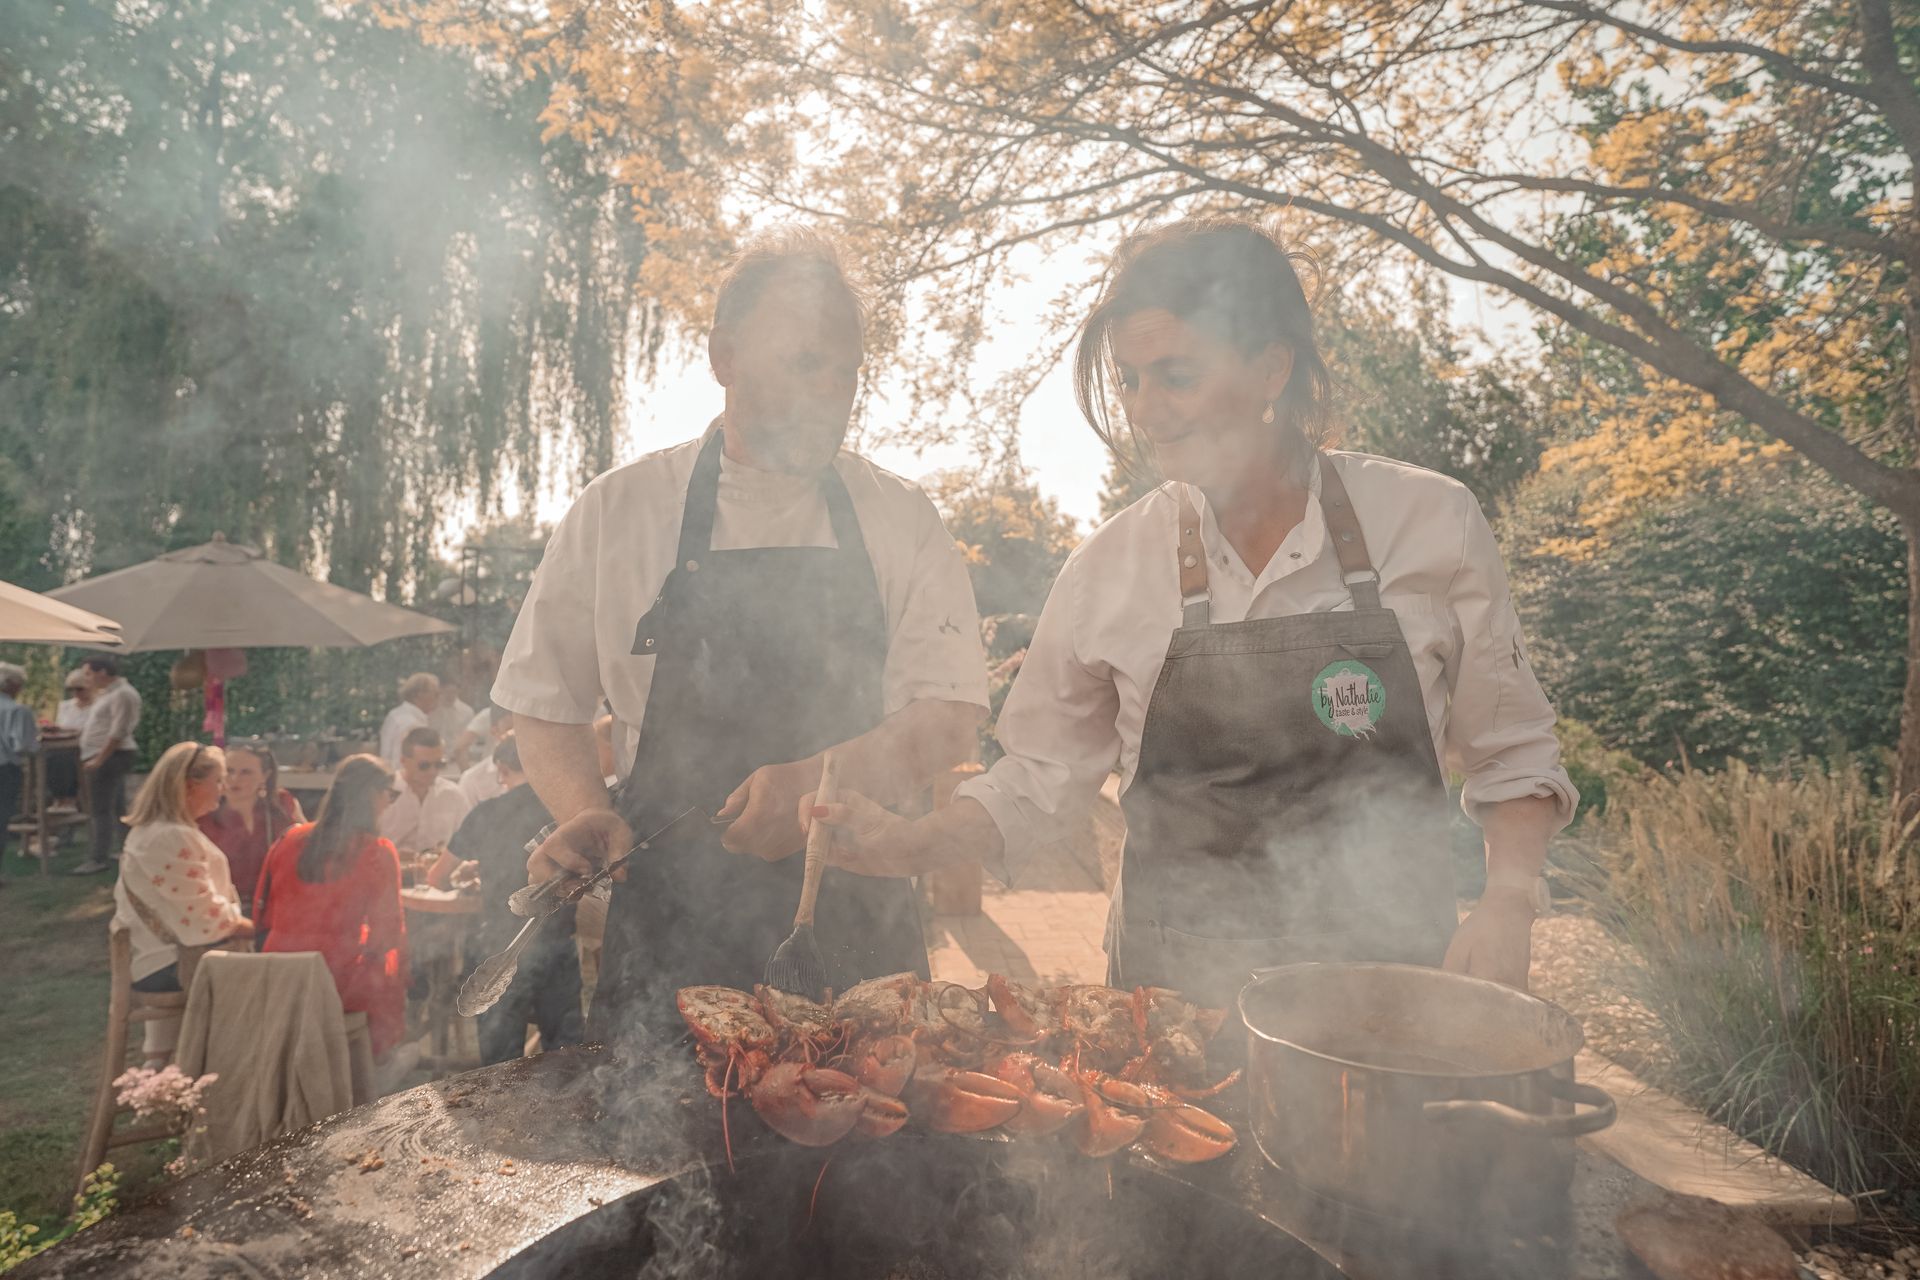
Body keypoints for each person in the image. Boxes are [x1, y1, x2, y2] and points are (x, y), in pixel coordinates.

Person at [811, 218, 1577, 1009]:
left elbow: (1513, 750)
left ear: (1272, 367)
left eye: (1175, 375)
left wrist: (1509, 899)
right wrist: (908, 843)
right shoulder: (1109, 569)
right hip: (1171, 1015)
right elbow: (1038, 779)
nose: (1147, 411)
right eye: (1130, 380)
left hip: (1391, 1014)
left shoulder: (1429, 523)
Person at [496, 226, 989, 1044]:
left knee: (877, 1166)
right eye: (806, 363)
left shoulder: (899, 516)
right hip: (669, 932)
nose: (832, 390)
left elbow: (948, 720)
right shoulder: (619, 513)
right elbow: (543, 707)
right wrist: (584, 809)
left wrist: (818, 783)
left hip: (857, 928)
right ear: (724, 356)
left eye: (846, 371)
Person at [254, 755, 412, 1069]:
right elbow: (387, 935)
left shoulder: (287, 839)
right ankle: (375, 1065)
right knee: (388, 969)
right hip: (332, 981)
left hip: (279, 975)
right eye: (390, 795)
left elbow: (263, 915)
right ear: (373, 795)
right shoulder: (377, 851)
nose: (389, 803)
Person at [109, 743, 251, 1063]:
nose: (223, 789)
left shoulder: (153, 831)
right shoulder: (170, 836)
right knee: (283, 978)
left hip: (158, 958)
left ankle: (161, 1076)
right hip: (171, 965)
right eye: (218, 781)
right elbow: (206, 918)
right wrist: (261, 928)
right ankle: (233, 1078)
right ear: (190, 786)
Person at [450, 734, 585, 1064]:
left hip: (500, 945)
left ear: (502, 768)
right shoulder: (569, 813)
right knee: (565, 1057)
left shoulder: (487, 812)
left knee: (499, 1065)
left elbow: (439, 873)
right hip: (557, 943)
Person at [197, 743, 304, 908]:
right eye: (229, 771)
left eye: (246, 772)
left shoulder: (282, 805)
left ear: (265, 775)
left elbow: (307, 850)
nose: (234, 779)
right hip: (221, 907)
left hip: (276, 905)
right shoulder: (204, 812)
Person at [72, 654, 144, 875]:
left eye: (88, 673)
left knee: (100, 809)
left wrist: (99, 760)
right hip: (105, 755)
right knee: (116, 807)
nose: (86, 679)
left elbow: (118, 732)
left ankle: (98, 858)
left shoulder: (123, 694)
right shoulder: (108, 694)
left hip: (111, 756)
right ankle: (125, 849)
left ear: (102, 672)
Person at [378, 727, 471, 853]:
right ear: (403, 761)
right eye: (424, 766)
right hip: (391, 869)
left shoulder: (453, 795)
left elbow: (468, 844)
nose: (433, 771)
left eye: (439, 764)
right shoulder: (382, 794)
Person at [0, 663, 38, 865]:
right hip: (4, 769)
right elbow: (22, 745)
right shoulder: (17, 710)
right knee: (1, 816)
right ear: (10, 684)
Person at [456, 704, 515, 807]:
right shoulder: (472, 780)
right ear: (495, 731)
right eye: (510, 730)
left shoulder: (541, 775)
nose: (517, 737)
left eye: (522, 732)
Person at [378, 673, 438, 769]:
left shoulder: (394, 714)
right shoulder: (413, 725)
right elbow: (402, 763)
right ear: (419, 694)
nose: (437, 698)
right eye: (435, 693)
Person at [429, 670, 477, 768]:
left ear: (458, 691)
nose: (450, 696)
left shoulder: (467, 712)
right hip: (434, 760)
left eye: (453, 692)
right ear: (441, 690)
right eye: (447, 692)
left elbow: (471, 740)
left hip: (457, 761)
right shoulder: (431, 711)